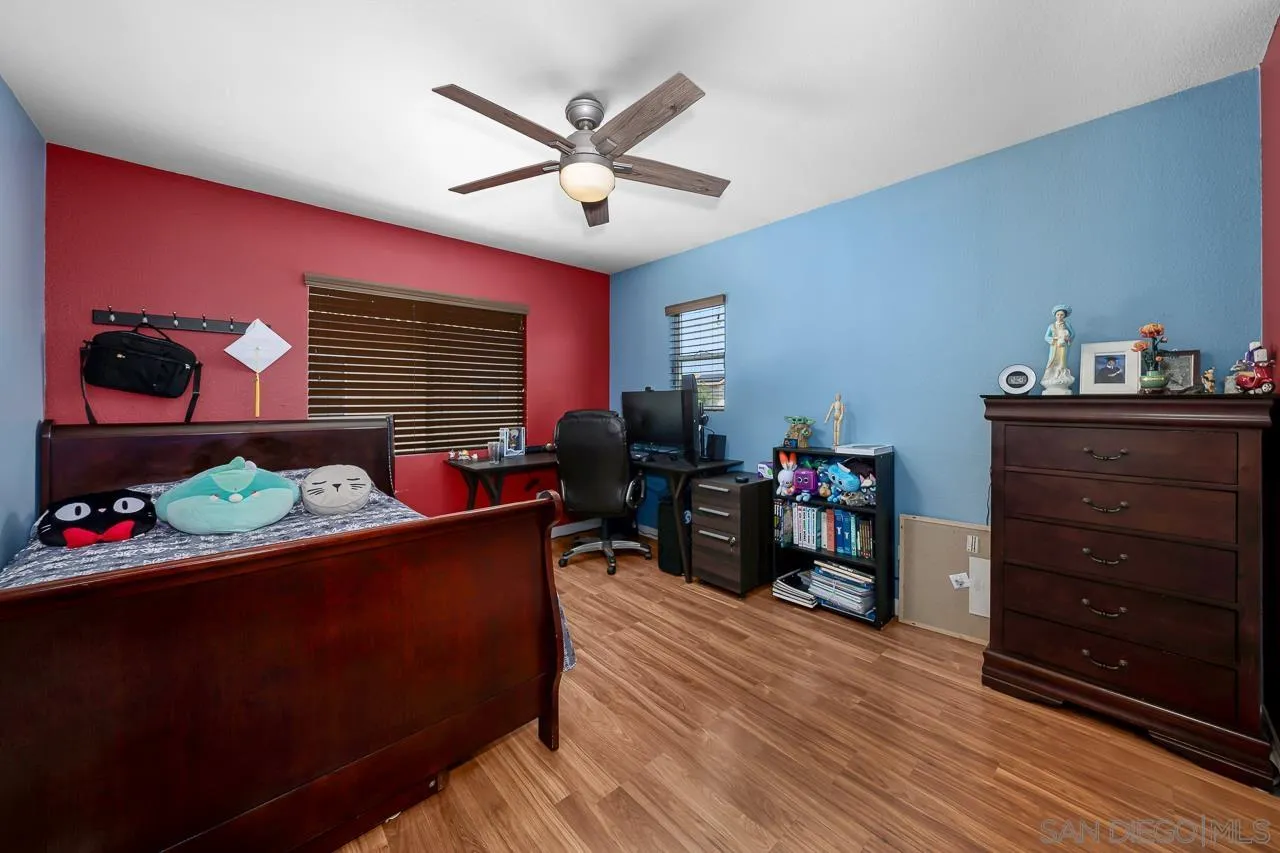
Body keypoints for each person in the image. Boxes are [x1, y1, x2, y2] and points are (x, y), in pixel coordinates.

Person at [1044, 305, 1074, 379]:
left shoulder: (1067, 325)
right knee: (1052, 359)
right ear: (1055, 315)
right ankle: (1050, 375)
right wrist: (1054, 338)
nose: (1060, 316)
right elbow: (1046, 337)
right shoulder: (1051, 326)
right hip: (1054, 346)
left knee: (1062, 359)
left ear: (1064, 316)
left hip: (1063, 345)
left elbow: (1073, 334)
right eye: (1058, 314)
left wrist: (1068, 338)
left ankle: (1061, 374)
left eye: (1062, 315)